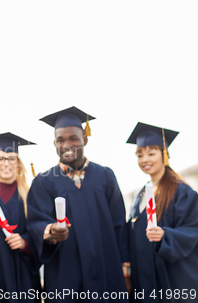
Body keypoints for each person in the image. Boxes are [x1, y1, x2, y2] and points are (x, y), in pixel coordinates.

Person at [26, 106, 129, 302]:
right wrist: (50, 231)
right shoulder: (43, 181)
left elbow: (119, 226)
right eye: (60, 140)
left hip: (106, 269)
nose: (67, 144)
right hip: (66, 274)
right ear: (54, 143)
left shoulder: (105, 176)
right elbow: (35, 223)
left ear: (85, 139)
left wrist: (126, 269)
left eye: (73, 138)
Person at [126, 122, 198, 302]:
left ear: (165, 155)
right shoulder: (140, 195)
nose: (144, 159)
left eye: (151, 153)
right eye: (140, 154)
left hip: (171, 278)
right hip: (144, 278)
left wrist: (165, 235)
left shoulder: (181, 191)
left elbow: (194, 230)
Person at [0, 132, 41, 302]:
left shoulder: (30, 195)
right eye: (1, 158)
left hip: (22, 276)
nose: (6, 163)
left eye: (11, 158)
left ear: (18, 163)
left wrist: (25, 243)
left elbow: (39, 232)